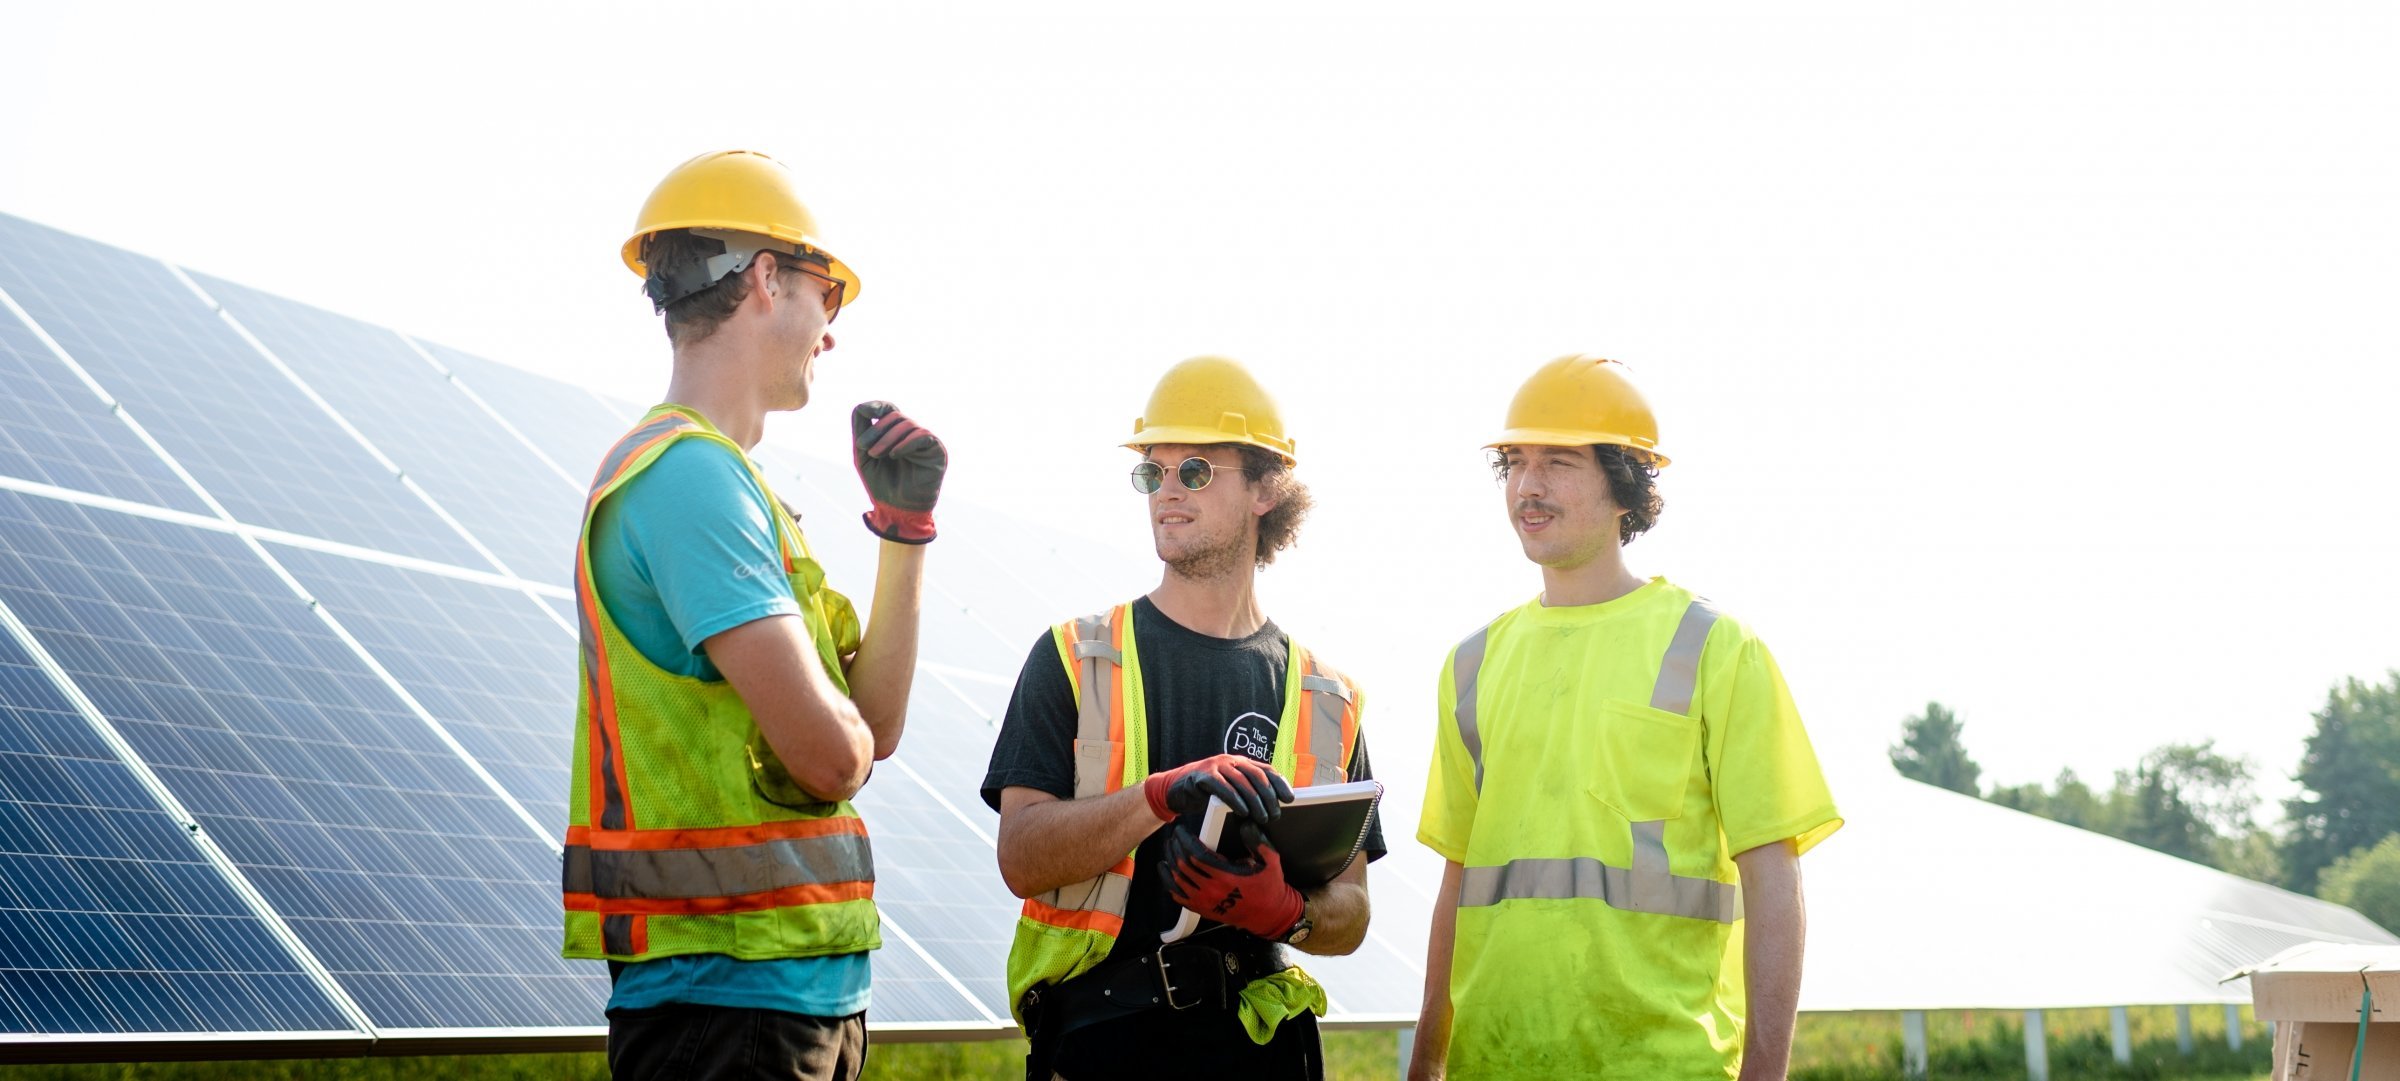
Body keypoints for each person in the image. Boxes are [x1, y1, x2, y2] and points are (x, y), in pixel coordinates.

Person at [562, 149, 948, 1081]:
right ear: (768, 279)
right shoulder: (690, 482)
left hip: (786, 991)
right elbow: (832, 755)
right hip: (725, 1001)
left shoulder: (734, 489)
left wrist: (904, 533)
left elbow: (874, 726)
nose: (831, 331)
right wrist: (843, 736)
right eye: (830, 294)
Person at [1411, 355, 1842, 1080]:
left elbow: (1773, 876)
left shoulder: (1715, 648)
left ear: (1625, 484)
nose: (1529, 485)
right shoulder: (1471, 663)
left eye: (1559, 460)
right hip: (1496, 1062)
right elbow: (1458, 881)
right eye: (1515, 461)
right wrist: (1426, 1061)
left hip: (1666, 1064)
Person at [982, 356, 1380, 1080]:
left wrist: (1285, 911)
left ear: (1265, 487)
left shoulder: (1330, 697)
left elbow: (1352, 908)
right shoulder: (1076, 656)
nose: (1166, 490)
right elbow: (1021, 856)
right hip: (1102, 1045)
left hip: (1266, 1051)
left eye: (1194, 470)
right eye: (1152, 471)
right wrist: (1156, 796)